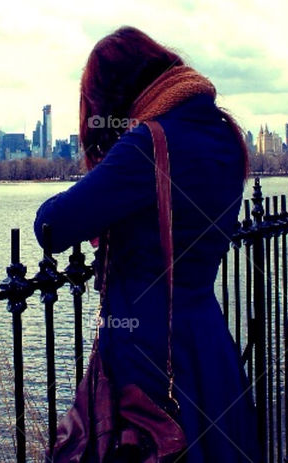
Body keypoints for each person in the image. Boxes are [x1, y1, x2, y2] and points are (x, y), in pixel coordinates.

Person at [34, 26, 261, 462]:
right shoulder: (225, 135)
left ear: (113, 96)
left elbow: (53, 227)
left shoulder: (147, 145)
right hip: (207, 343)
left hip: (147, 354)